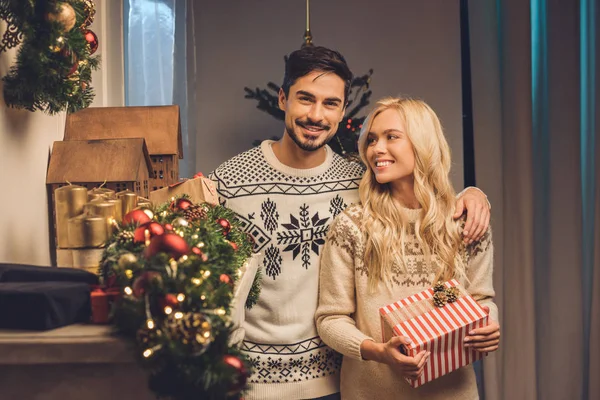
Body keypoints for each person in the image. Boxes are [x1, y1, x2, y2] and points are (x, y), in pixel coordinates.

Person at [209, 47, 491, 400]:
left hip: (336, 379)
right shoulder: (229, 181)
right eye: (305, 99)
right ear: (283, 99)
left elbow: (422, 197)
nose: (316, 114)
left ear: (342, 111)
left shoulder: (361, 179)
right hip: (253, 382)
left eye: (330, 103)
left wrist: (474, 195)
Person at [315, 97, 500, 400]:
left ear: (423, 143)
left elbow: (481, 300)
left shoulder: (466, 222)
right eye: (372, 140)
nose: (376, 149)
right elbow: (330, 320)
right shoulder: (351, 226)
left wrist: (489, 323)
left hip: (454, 392)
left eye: (392, 137)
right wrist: (377, 351)